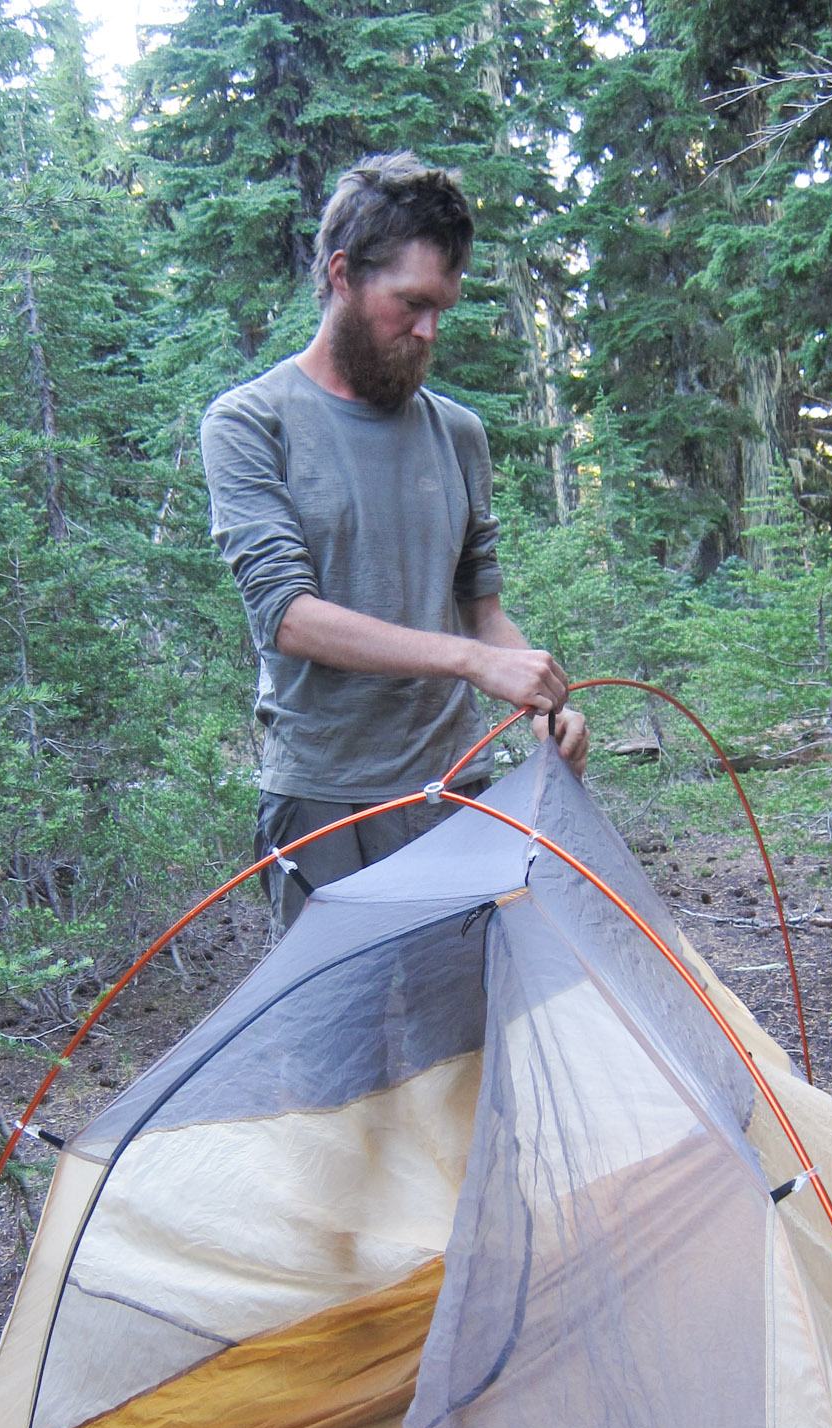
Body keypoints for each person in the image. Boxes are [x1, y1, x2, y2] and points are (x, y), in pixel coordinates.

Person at [200, 151, 588, 930]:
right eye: (410, 302)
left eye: (442, 307)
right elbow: (289, 616)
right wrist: (474, 662)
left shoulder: (459, 434)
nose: (428, 330)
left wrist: (543, 706)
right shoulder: (250, 423)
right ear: (343, 275)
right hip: (324, 801)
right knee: (343, 1045)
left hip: (457, 789)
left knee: (461, 1036)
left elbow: (484, 617)